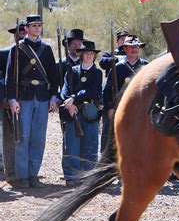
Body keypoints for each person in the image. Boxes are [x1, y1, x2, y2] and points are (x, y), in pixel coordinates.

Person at [5, 14, 58, 188]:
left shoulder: (47, 49)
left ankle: (33, 175)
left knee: (38, 138)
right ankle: (22, 177)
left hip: (42, 97)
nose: (37, 28)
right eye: (33, 26)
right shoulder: (17, 48)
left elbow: (53, 75)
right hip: (24, 97)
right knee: (22, 137)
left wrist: (53, 96)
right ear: (26, 29)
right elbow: (10, 77)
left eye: (39, 25)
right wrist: (12, 98)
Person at [60, 40, 102, 186]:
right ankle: (72, 177)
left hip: (90, 113)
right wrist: (69, 104)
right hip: (73, 112)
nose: (89, 56)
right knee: (71, 146)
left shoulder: (97, 73)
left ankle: (88, 178)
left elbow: (93, 91)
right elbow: (64, 90)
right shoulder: (71, 71)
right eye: (87, 53)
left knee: (90, 145)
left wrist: (74, 97)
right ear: (82, 55)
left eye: (91, 54)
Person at [102, 35, 148, 149]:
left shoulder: (146, 66)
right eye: (131, 47)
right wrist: (110, 108)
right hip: (120, 109)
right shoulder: (117, 67)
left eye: (136, 46)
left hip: (141, 111)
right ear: (125, 49)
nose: (134, 49)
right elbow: (107, 90)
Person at [0, 21, 27, 185]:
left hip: (28, 100)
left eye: (24, 33)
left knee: (25, 137)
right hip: (8, 101)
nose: (22, 36)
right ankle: (10, 172)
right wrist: (4, 97)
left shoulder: (32, 54)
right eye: (19, 33)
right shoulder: (4, 53)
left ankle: (23, 171)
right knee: (9, 137)